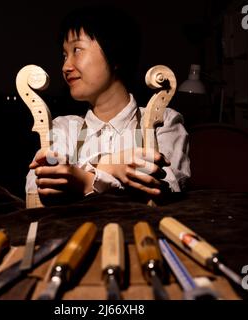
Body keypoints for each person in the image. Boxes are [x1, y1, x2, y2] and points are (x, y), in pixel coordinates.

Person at [25, 5, 190, 205]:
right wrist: (110, 168)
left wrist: (84, 179)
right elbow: (38, 183)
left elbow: (169, 184)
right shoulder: (64, 128)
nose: (66, 67)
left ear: (116, 55)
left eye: (77, 50)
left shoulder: (164, 122)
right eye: (64, 55)